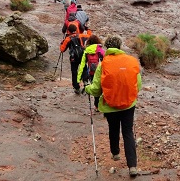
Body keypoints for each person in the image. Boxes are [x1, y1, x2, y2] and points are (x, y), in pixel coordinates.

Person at [84, 36, 141, 177]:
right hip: (128, 104)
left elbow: (96, 89)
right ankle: (132, 166)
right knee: (127, 132)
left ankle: (115, 153)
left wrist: (87, 89)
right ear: (120, 46)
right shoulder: (132, 61)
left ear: (107, 48)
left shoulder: (103, 64)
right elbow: (138, 85)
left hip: (110, 105)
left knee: (113, 128)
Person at [60, 24, 91, 94]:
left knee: (74, 71)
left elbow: (62, 49)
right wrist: (87, 29)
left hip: (73, 57)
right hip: (82, 55)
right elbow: (90, 36)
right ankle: (86, 82)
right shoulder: (81, 35)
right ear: (76, 30)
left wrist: (62, 42)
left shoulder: (68, 39)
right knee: (84, 68)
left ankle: (76, 87)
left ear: (68, 31)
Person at [77, 34, 105, 108]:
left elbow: (82, 65)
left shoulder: (86, 51)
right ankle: (102, 105)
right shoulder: (101, 50)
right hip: (102, 73)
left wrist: (78, 79)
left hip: (92, 73)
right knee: (103, 88)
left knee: (96, 89)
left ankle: (96, 106)